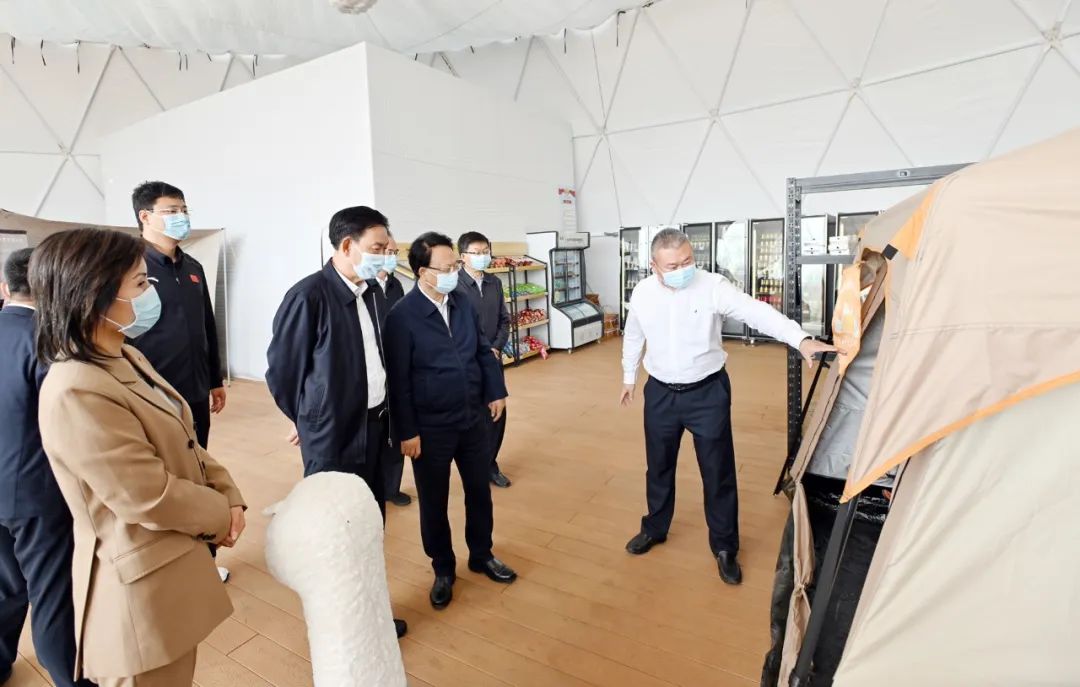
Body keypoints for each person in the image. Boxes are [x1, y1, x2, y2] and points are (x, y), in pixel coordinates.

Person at [31, 228, 246, 686]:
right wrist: (220, 515)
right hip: (137, 588)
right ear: (95, 294)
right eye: (141, 283)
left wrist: (229, 493)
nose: (152, 295)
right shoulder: (76, 388)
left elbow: (185, 438)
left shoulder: (125, 356)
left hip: (169, 567)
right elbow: (146, 494)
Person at [619, 228, 835, 584]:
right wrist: (629, 377)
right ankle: (654, 528)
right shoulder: (642, 293)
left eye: (688, 261)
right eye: (673, 265)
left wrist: (800, 339)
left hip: (707, 393)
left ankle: (724, 547)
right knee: (658, 466)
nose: (683, 269)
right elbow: (633, 335)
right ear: (654, 266)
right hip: (660, 393)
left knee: (717, 471)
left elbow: (757, 312)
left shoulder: (712, 286)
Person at [265, 206, 406, 639]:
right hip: (332, 436)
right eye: (377, 248)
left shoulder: (375, 292)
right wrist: (308, 417)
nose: (385, 256)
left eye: (387, 248)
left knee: (370, 520)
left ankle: (373, 612)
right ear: (347, 245)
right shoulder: (308, 296)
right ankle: (344, 623)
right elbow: (283, 373)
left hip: (376, 426)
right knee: (336, 527)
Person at [384, 232, 516, 611]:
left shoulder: (461, 302)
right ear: (423, 272)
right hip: (430, 428)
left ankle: (482, 554)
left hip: (472, 417)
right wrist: (407, 431)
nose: (454, 273)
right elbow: (398, 380)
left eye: (455, 265)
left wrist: (495, 391)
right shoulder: (403, 317)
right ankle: (443, 568)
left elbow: (482, 351)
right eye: (446, 268)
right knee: (434, 501)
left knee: (479, 492)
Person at [128, 181, 231, 583]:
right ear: (145, 216)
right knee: (162, 479)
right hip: (151, 393)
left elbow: (207, 325)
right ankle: (167, 565)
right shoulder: (129, 267)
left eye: (184, 209)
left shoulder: (193, 268)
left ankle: (204, 559)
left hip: (194, 390)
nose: (181, 217)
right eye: (171, 210)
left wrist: (215, 378)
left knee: (198, 468)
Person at [0, 249, 92, 687]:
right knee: (53, 595)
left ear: (5, 287)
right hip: (37, 492)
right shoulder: (54, 343)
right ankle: (69, 678)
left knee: (5, 585)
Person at [455, 231, 513, 488]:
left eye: (485, 252)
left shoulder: (494, 282)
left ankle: (490, 465)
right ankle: (474, 467)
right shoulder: (454, 285)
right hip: (467, 362)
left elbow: (504, 320)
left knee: (497, 413)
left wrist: (496, 348)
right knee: (474, 415)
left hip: (493, 359)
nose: (482, 257)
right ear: (463, 256)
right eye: (476, 253)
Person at [372, 235, 410, 508]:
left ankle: (391, 487)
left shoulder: (396, 285)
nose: (392, 257)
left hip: (396, 367)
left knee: (395, 431)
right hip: (373, 369)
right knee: (375, 434)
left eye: (395, 252)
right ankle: (373, 488)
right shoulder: (364, 286)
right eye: (388, 252)